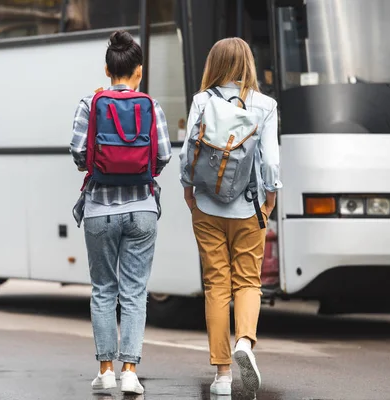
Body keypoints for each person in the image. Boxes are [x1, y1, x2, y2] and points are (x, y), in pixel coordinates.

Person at [69, 30, 172, 395]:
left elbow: (79, 153)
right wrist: (138, 172)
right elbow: (162, 157)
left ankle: (105, 370)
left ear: (107, 68)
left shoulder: (89, 102)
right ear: (139, 71)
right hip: (141, 209)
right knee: (134, 292)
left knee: (103, 291)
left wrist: (103, 166)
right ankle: (131, 370)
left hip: (99, 209)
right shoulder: (151, 105)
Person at [179, 37, 282, 396]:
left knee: (216, 286)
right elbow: (269, 161)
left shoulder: (201, 101)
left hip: (206, 206)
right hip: (249, 207)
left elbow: (187, 152)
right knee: (248, 282)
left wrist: (188, 190)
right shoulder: (264, 105)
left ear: (214, 64)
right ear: (248, 65)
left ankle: (222, 375)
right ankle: (245, 343)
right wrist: (270, 198)